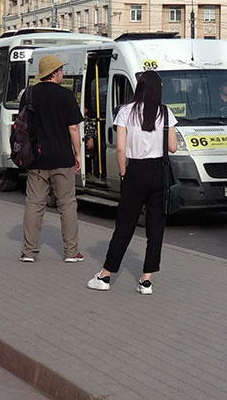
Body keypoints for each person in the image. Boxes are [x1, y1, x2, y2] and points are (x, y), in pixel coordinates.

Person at [88, 70, 177, 295]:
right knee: (155, 227)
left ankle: (106, 275)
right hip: (158, 171)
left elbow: (120, 148)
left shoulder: (126, 111)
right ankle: (147, 280)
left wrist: (124, 173)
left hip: (135, 171)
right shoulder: (166, 113)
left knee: (125, 225)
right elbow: (173, 147)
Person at [20, 55, 85, 264]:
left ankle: (29, 252)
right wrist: (78, 153)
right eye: (60, 71)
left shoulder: (29, 94)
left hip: (36, 158)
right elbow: (74, 127)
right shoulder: (65, 95)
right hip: (62, 157)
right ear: (54, 73)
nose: (62, 74)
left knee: (34, 204)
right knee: (67, 204)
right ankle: (71, 252)